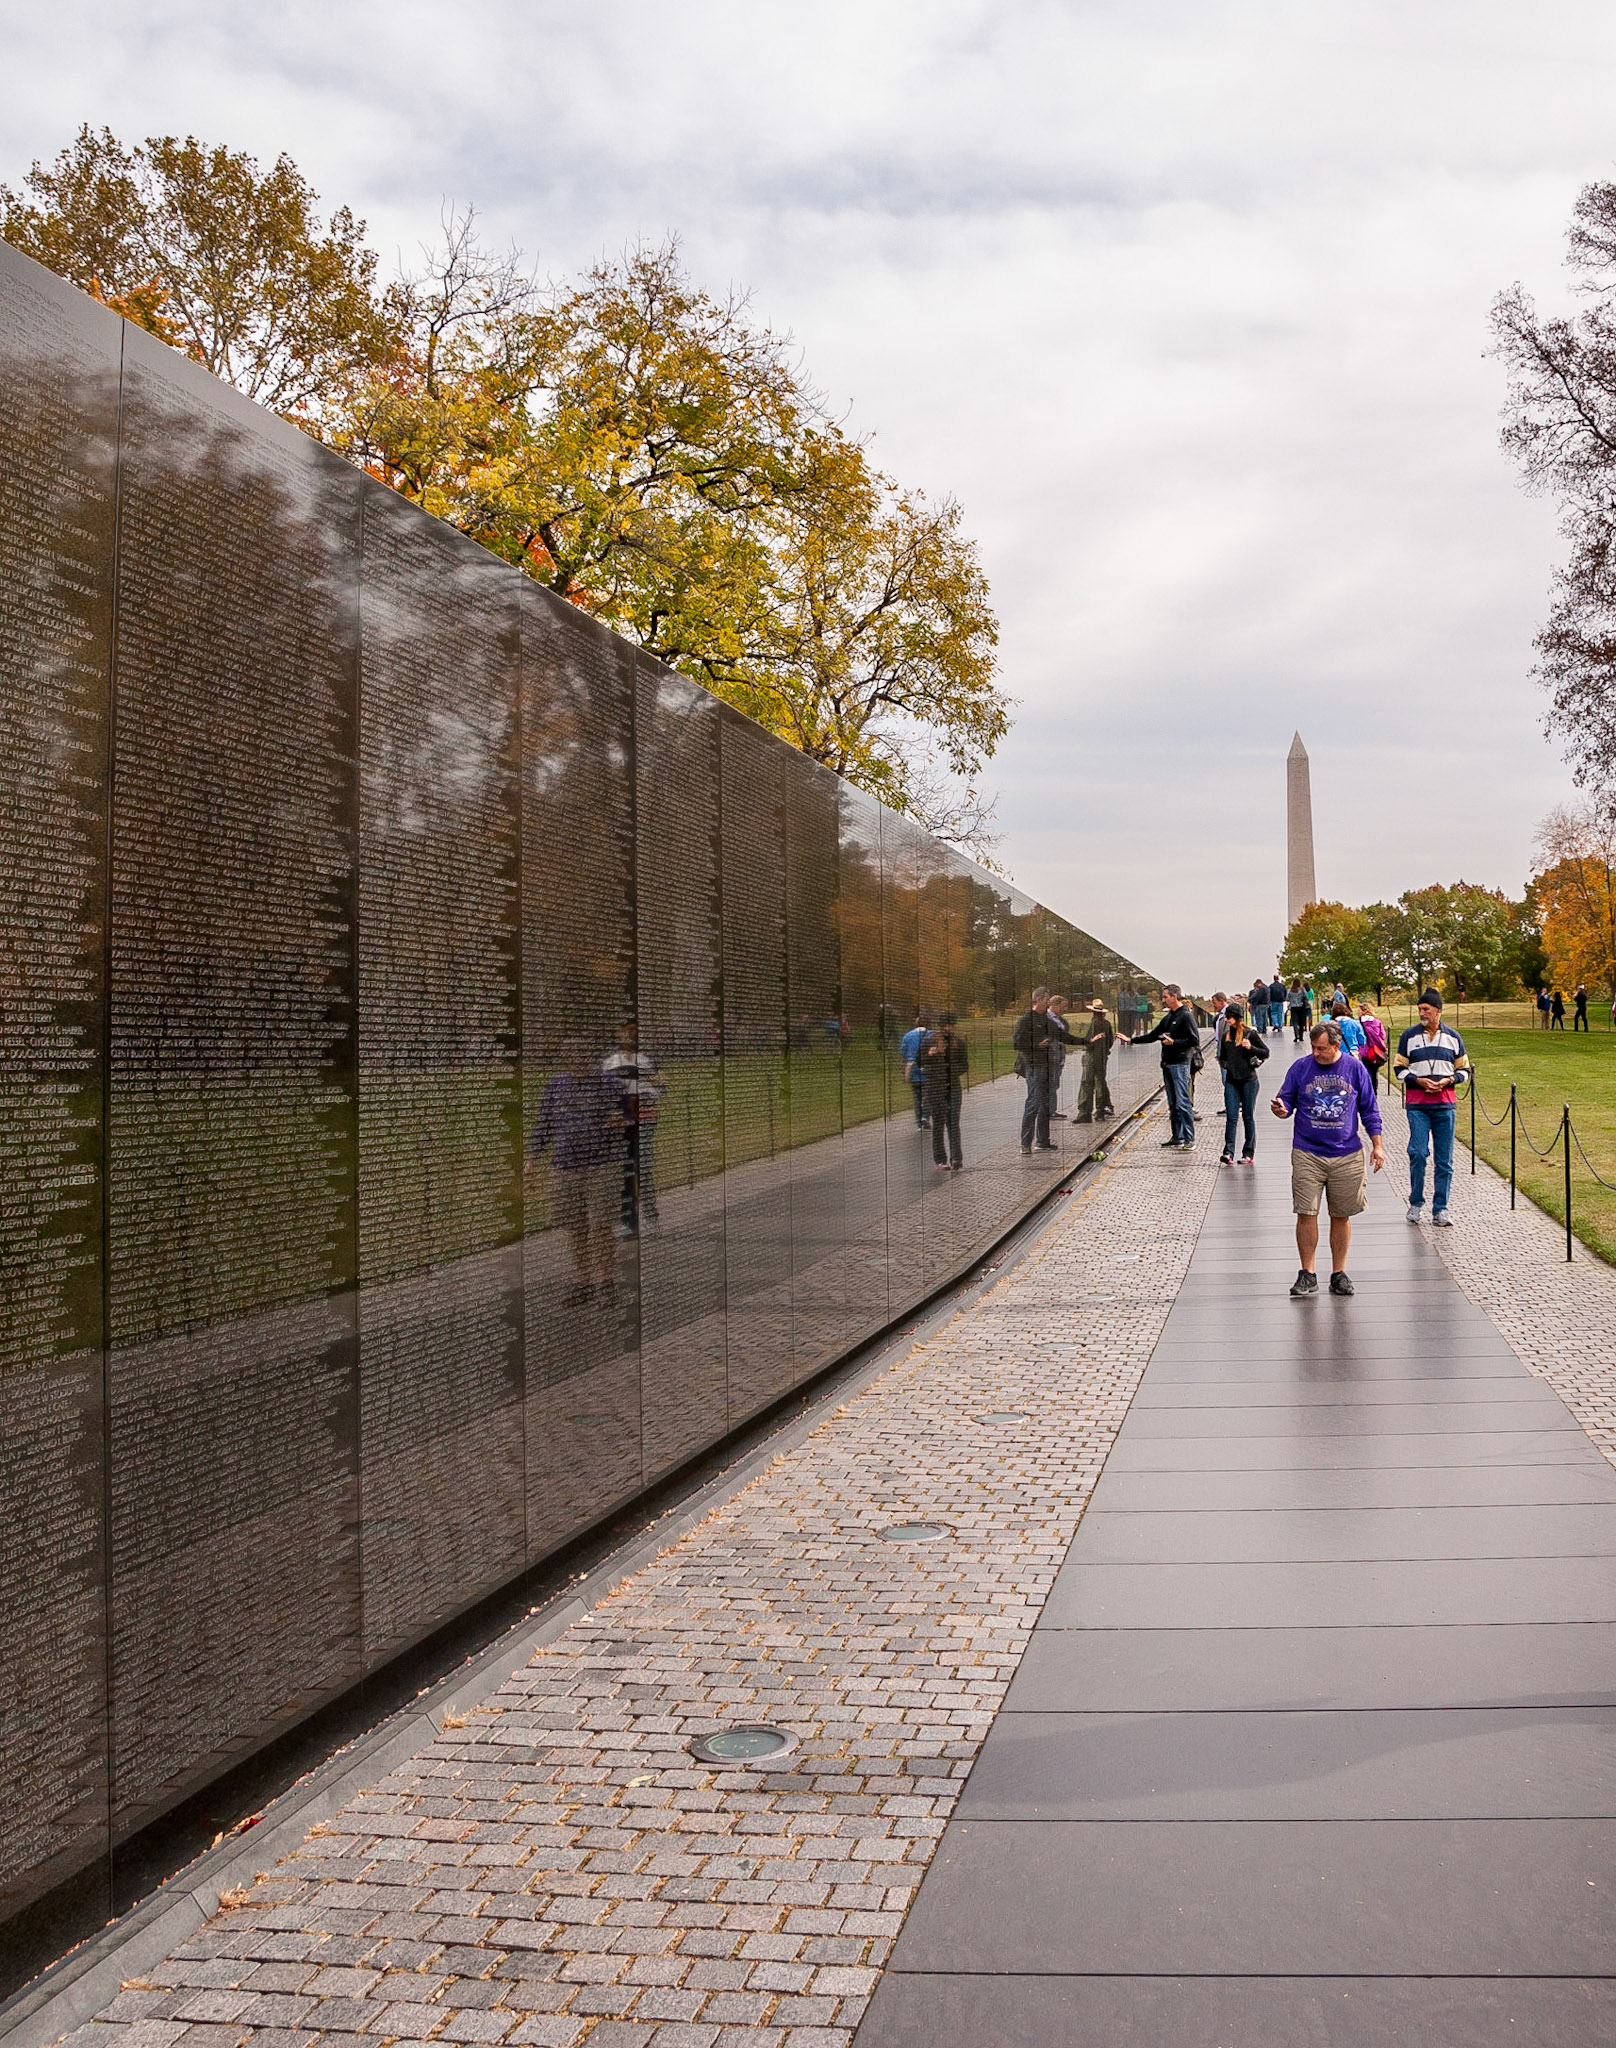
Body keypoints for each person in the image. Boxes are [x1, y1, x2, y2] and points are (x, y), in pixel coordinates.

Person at [1271, 1019, 1386, 1296]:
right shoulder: (1301, 1068)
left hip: (1347, 1154)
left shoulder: (1355, 1068)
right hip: (1307, 1152)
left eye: (1321, 1048)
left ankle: (1338, 1273)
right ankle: (1307, 1273)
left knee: (1341, 1214)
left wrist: (1377, 1145)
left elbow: (1370, 1109)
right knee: (1306, 1212)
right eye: (1313, 1047)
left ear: (1336, 1045)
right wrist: (1281, 1109)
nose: (1316, 1053)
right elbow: (1286, 1100)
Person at [530, 1038, 625, 1305]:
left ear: (592, 1057)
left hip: (602, 1165)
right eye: (572, 1054)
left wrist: (623, 1120)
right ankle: (584, 1283)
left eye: (583, 1053)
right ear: (565, 1058)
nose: (579, 1059)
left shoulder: (609, 1084)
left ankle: (606, 1283)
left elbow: (631, 1114)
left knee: (601, 1226)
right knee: (576, 1228)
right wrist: (532, 1160)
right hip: (566, 1167)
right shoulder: (556, 1085)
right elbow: (544, 1123)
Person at [1393, 987, 1471, 1228]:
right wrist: (1417, 1080)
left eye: (1426, 1009)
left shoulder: (1453, 1037)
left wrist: (1449, 1080)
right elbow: (1398, 1069)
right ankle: (1416, 1202)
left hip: (1445, 1105)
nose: (1421, 1013)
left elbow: (1464, 1071)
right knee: (1418, 1152)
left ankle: (1441, 1208)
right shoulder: (1409, 1037)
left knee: (1444, 1160)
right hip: (1417, 1105)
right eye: (1419, 1009)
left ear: (1438, 1010)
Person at [601, 1021, 665, 1237]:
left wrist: (646, 1084)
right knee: (624, 1170)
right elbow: (604, 1092)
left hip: (645, 1119)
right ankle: (628, 1222)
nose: (631, 1035)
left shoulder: (647, 1059)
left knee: (643, 1167)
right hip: (621, 1124)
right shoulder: (609, 1062)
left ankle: (651, 1218)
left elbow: (661, 1087)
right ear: (619, 1033)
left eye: (635, 1031)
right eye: (627, 1031)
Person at [1122, 983, 1200, 1148]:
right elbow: (1153, 1035)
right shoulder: (1169, 1017)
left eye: (1165, 997)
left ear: (1174, 996)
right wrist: (1131, 1040)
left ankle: (1189, 1138)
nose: (1163, 1000)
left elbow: (1194, 1040)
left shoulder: (1186, 1016)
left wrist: (1175, 1042)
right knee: (1173, 1103)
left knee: (1182, 1101)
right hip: (1167, 1064)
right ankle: (1177, 1136)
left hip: (1180, 1064)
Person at [1013, 986, 1073, 1152]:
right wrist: (1037, 1045)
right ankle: (1025, 1143)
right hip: (1035, 1066)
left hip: (1048, 1066)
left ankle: (1042, 1141)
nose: (1048, 1002)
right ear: (1038, 1000)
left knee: (1044, 1105)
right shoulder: (1026, 1020)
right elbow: (1017, 1043)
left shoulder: (1045, 1019)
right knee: (1034, 1103)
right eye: (1046, 999)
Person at [1217, 1002, 1269, 1164]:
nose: (1227, 1020)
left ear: (1237, 1018)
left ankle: (1248, 1153)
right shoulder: (1226, 1037)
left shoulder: (1249, 1034)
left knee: (1247, 1116)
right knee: (1231, 1117)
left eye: (1229, 1017)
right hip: (1232, 1081)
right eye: (1226, 1017)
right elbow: (1222, 1057)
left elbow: (1266, 1052)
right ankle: (1228, 1152)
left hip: (1249, 1081)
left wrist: (1251, 1048)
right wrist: (1227, 1065)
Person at [921, 1011, 969, 1170]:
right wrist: (930, 1055)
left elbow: (964, 1065)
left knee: (953, 1123)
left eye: (953, 1025)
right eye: (949, 1025)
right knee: (938, 1123)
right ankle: (940, 1160)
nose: (951, 1028)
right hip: (934, 1087)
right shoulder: (929, 1041)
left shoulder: (958, 1043)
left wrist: (951, 1071)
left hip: (953, 1087)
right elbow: (920, 1061)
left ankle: (956, 1158)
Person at [1075, 998, 1116, 1122]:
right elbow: (1110, 1041)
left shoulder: (1094, 1024)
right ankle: (1100, 1110)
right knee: (1100, 1083)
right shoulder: (1106, 1024)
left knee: (1087, 1083)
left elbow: (1088, 1042)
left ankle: (1085, 1112)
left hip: (1092, 1056)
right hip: (1102, 1056)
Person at [899, 1009, 933, 1128]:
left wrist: (903, 1070)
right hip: (927, 1069)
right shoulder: (932, 1035)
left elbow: (903, 1054)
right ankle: (925, 1117)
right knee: (929, 1094)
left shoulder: (908, 1036)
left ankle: (919, 1121)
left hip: (913, 1069)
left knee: (917, 1097)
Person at [1046, 995, 1072, 1118]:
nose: (1064, 1009)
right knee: (1050, 1082)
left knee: (1055, 1082)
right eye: (1063, 1006)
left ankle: (1051, 1109)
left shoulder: (1060, 1020)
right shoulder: (1046, 1018)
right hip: (1051, 1055)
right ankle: (1048, 1110)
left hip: (1059, 1053)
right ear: (1054, 1005)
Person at [1357, 999, 1389, 1092]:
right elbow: (1383, 1035)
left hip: (1364, 1052)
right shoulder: (1377, 1022)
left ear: (1363, 1011)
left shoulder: (1359, 1023)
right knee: (1375, 1073)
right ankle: (1374, 1093)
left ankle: (1367, 1092)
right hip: (1375, 1052)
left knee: (1366, 1072)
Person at [1287, 977, 1310, 1044]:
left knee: (1295, 1022)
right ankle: (1301, 1036)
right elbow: (1306, 997)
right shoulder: (1302, 990)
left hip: (1293, 1007)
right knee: (1301, 1022)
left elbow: (1287, 998)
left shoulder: (1290, 990)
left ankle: (1296, 1035)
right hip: (1301, 1007)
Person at [1268, 973, 1288, 1038]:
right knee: (1280, 1013)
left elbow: (1269, 994)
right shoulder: (1282, 986)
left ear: (1274, 979)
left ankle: (1275, 1023)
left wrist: (1269, 1000)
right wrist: (1284, 998)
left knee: (1273, 1013)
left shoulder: (1271, 986)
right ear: (1278, 978)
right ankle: (1280, 1025)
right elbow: (1285, 992)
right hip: (1281, 1001)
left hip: (1273, 1001)